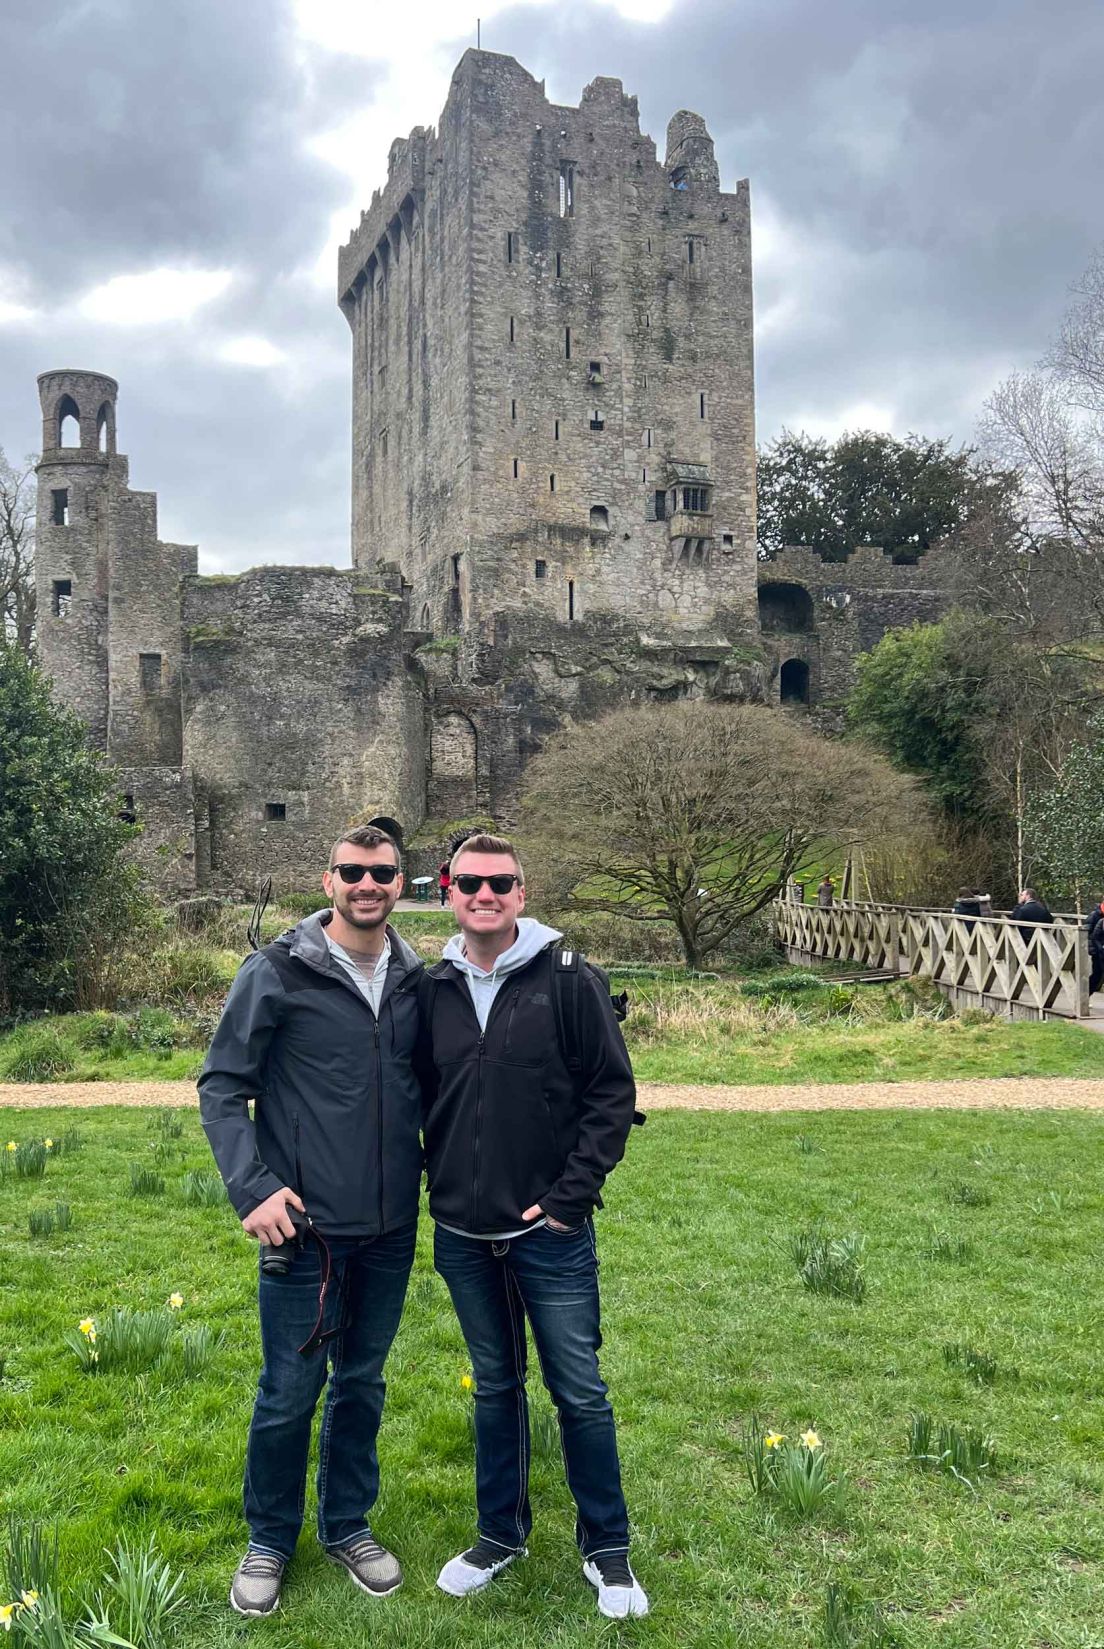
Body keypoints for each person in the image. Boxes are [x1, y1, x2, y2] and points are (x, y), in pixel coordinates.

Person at [417, 832, 647, 1619]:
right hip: (462, 1232)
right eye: (471, 883)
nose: (485, 895)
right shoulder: (432, 989)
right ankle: (500, 1533)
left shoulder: (571, 979)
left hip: (547, 1233)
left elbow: (613, 1096)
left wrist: (569, 1198)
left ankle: (607, 1547)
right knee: (494, 1385)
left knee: (578, 1389)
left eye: (501, 883)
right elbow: (420, 1099)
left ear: (522, 891)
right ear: (448, 890)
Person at [198, 825, 424, 1619]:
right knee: (290, 1390)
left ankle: (347, 1524)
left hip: (393, 1225)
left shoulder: (414, 979)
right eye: (353, 871)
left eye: (383, 872)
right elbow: (221, 1085)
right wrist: (252, 1188)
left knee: (362, 1382)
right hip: (303, 1228)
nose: (369, 884)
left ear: (402, 882)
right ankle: (268, 1537)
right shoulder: (278, 971)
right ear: (328, 879)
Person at [1087, 898, 1104, 994]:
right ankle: (1085, 996)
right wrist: (1093, 949)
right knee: (1097, 976)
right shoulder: (1094, 915)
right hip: (1097, 950)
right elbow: (1086, 932)